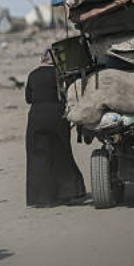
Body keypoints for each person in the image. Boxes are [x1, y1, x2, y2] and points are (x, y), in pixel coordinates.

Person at [25, 50, 86, 207]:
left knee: (38, 157)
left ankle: (41, 198)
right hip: (57, 115)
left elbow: (28, 98)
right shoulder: (60, 74)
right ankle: (70, 193)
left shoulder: (32, 75)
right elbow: (70, 94)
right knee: (62, 153)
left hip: (36, 117)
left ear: (42, 59)